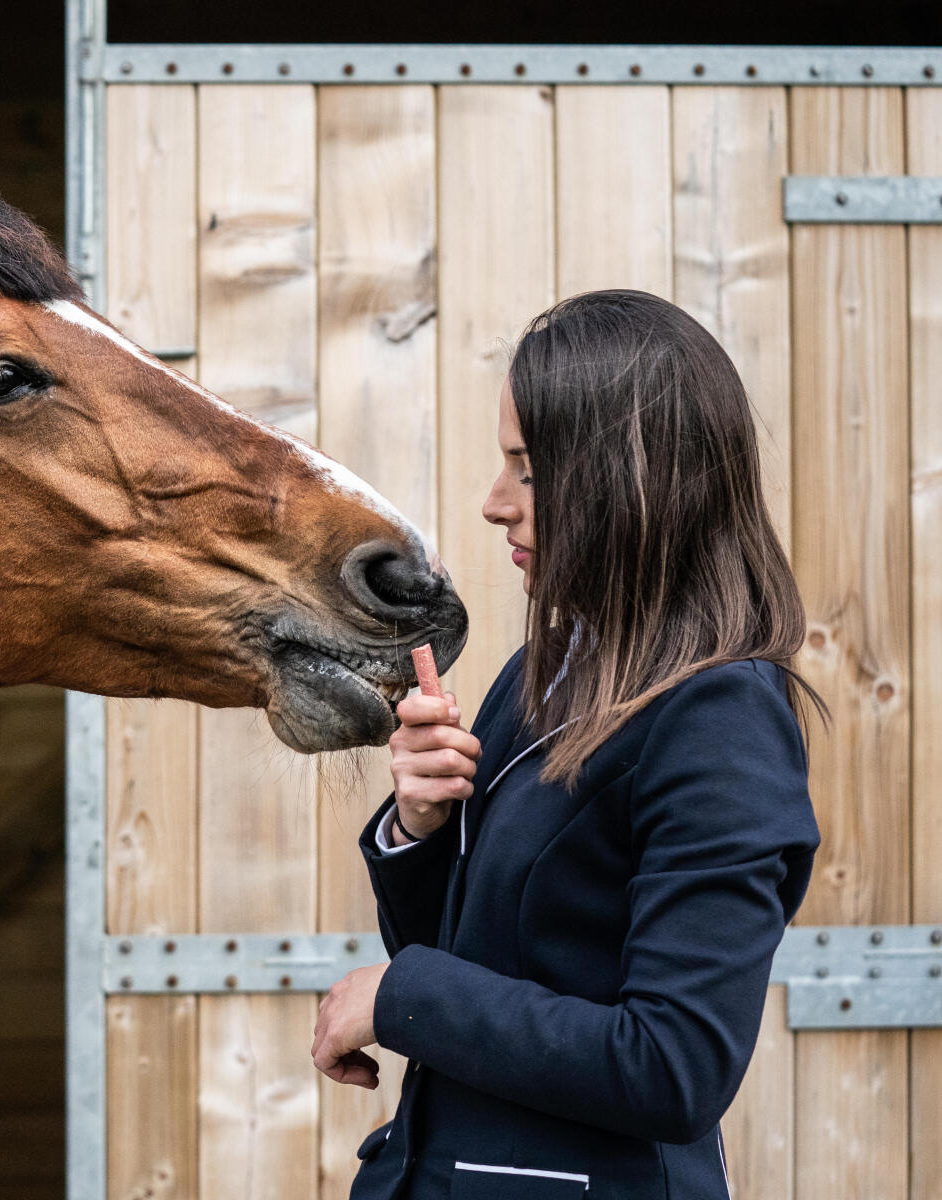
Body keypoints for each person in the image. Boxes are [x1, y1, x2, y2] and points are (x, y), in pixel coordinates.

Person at [310, 290, 822, 1200]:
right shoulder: (542, 670)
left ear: (632, 479)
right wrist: (421, 827)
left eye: (529, 471)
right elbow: (480, 955)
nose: (493, 504)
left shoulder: (721, 720)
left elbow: (674, 1066)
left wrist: (399, 999)